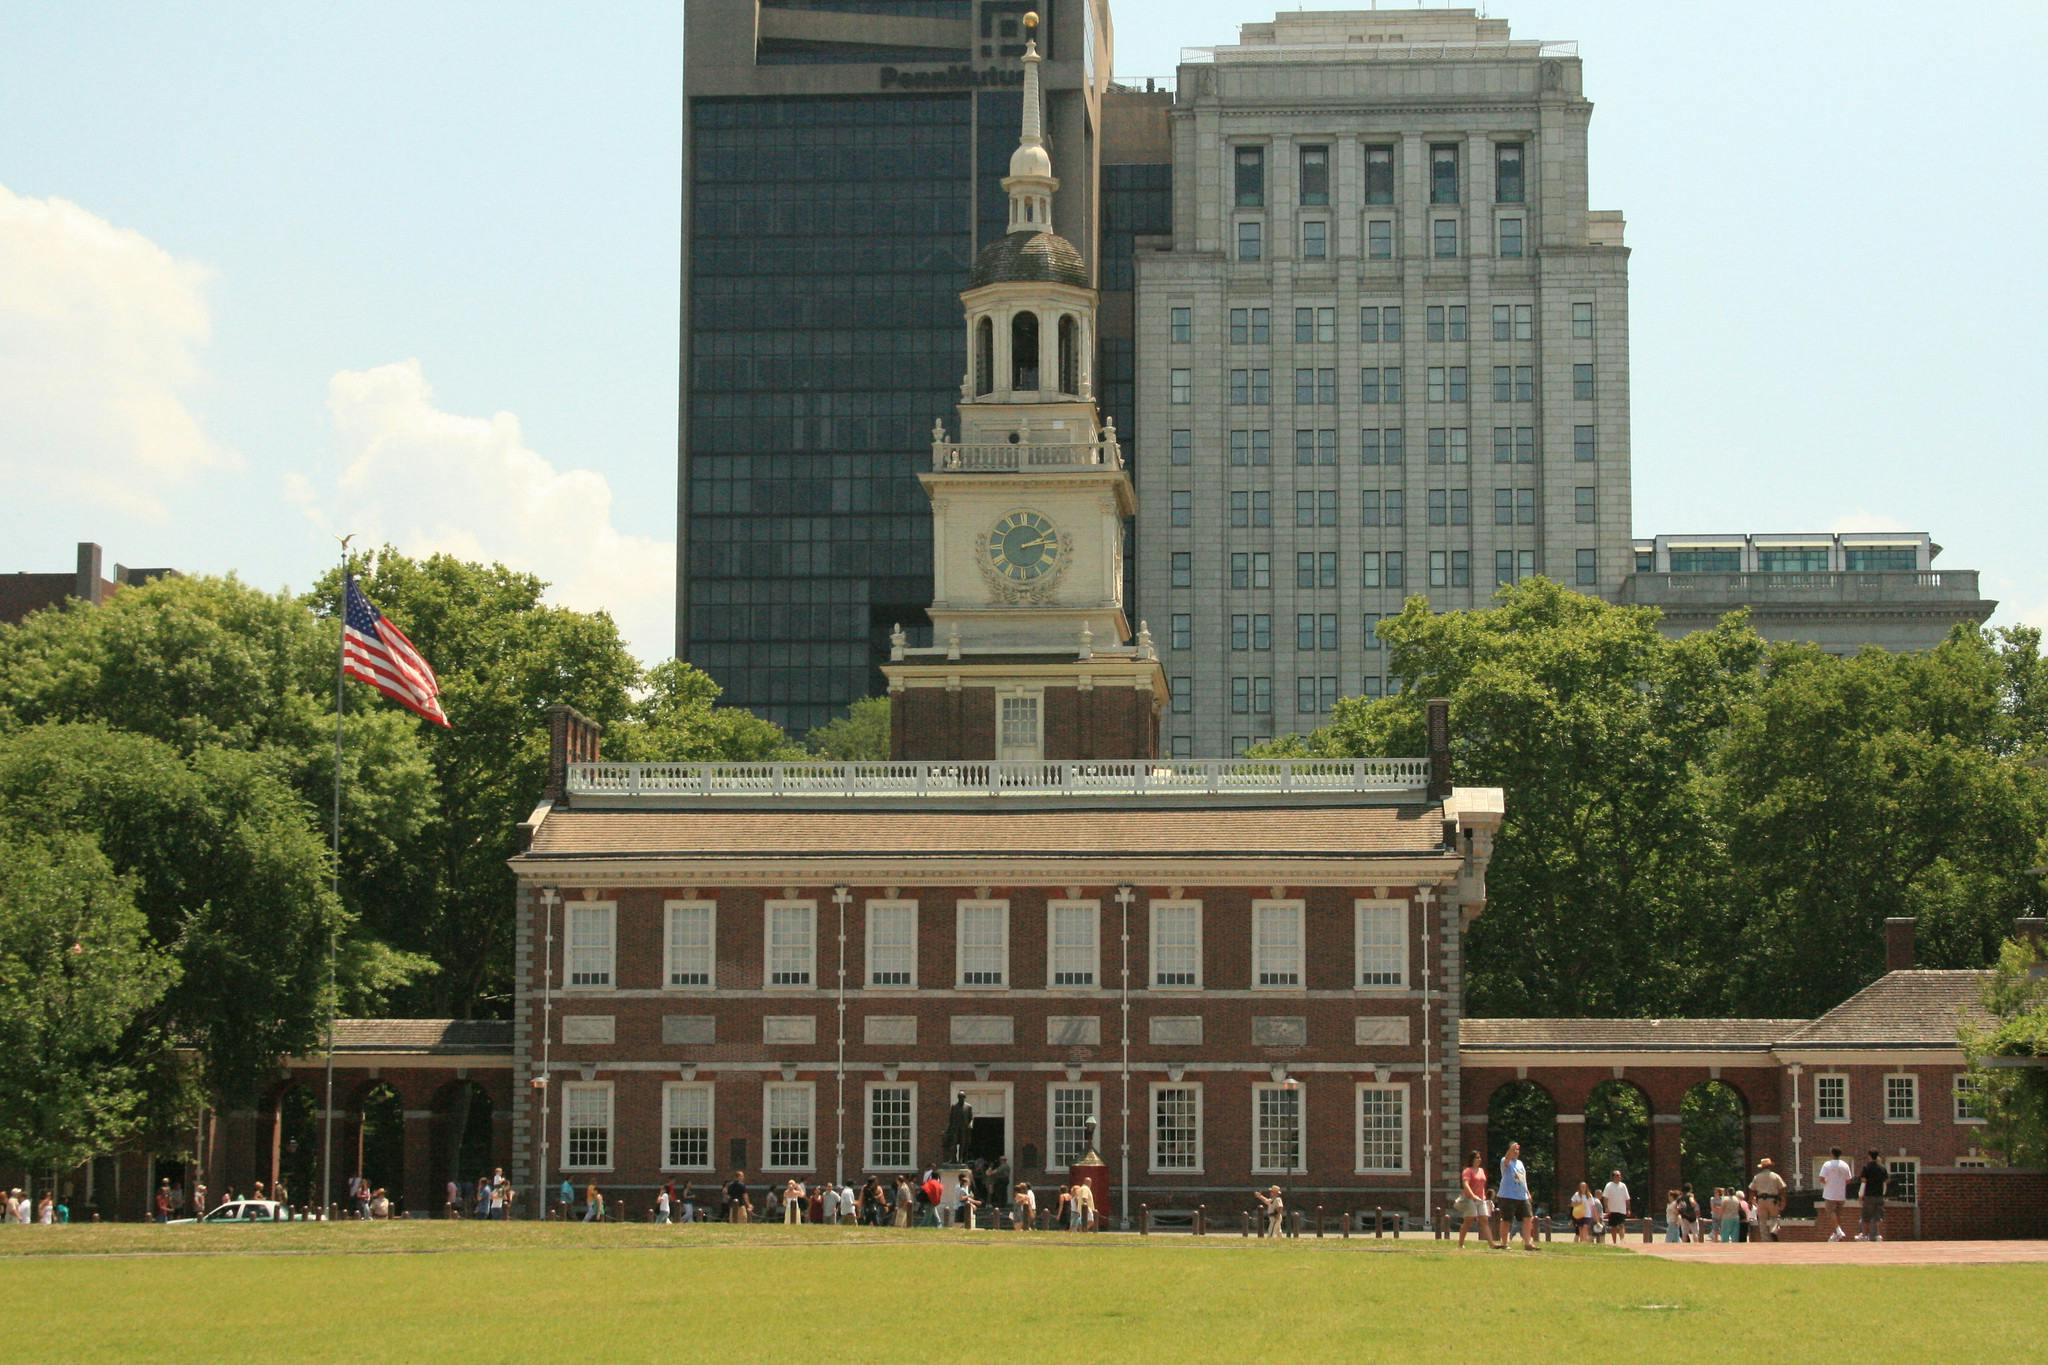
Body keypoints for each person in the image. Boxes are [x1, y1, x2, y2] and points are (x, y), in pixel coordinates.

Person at [1497, 1142, 1537, 1251]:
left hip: (1522, 1196)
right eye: (1514, 1150)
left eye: (1517, 1150)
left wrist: (1527, 1192)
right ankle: (1505, 1243)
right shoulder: (1505, 1162)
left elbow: (1523, 1179)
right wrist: (1512, 1148)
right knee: (1506, 1220)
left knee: (1528, 1217)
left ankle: (1528, 1243)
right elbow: (1507, 1158)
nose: (1516, 1152)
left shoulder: (1520, 1163)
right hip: (1508, 1195)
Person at [1456, 1152, 1493, 1249]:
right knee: (1469, 1220)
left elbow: (1482, 1186)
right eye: (1477, 1157)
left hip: (1481, 1199)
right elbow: (1466, 1185)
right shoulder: (1467, 1171)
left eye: (1480, 1157)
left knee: (1484, 1220)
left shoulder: (1481, 1170)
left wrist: (1485, 1198)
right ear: (1472, 1159)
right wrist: (1473, 1196)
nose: (1479, 1159)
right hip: (1470, 1199)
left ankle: (1491, 1244)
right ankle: (1460, 1243)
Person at [1818, 1147, 1855, 1242]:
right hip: (1841, 1193)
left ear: (1832, 1154)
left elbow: (1821, 1178)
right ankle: (1836, 1234)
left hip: (1830, 1193)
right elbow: (1849, 1180)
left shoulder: (1827, 1164)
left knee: (1831, 1212)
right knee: (1838, 1214)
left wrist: (1827, 1182)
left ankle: (1838, 1231)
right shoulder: (1845, 1165)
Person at [1748, 1157, 1786, 1242]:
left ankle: (1765, 1240)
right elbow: (1782, 1188)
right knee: (1774, 1217)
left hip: (1761, 1200)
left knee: (1762, 1221)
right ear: (1769, 1166)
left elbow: (1751, 1189)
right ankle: (1773, 1230)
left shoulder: (1757, 1177)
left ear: (1762, 1167)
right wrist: (1783, 1201)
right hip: (1773, 1200)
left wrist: (1750, 1201)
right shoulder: (1775, 1176)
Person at [1857, 1150, 1888, 1242]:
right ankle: (1877, 1235)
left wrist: (1860, 1195)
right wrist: (1883, 1194)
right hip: (1879, 1195)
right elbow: (1885, 1182)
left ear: (1869, 1156)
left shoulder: (1866, 1167)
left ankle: (1864, 1235)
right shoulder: (1882, 1168)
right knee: (1877, 1216)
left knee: (1866, 1216)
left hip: (1869, 1196)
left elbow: (1863, 1182)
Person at [1601, 1169, 1633, 1241]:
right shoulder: (1608, 1185)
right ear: (1613, 1177)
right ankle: (1614, 1241)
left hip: (1621, 1210)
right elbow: (1605, 1197)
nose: (1619, 1177)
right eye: (1617, 1175)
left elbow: (1627, 1198)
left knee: (1621, 1225)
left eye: (1620, 1175)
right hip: (1612, 1210)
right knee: (1614, 1227)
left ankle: (1622, 1240)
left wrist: (1628, 1209)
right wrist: (1606, 1207)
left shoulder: (1623, 1185)